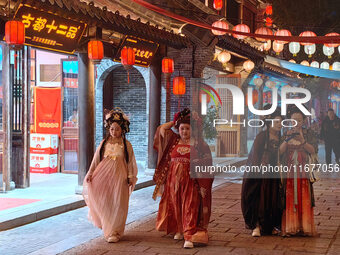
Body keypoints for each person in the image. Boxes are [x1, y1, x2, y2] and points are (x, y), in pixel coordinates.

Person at [153, 108, 213, 248]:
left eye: (187, 128)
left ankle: (189, 235)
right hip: (173, 182)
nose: (184, 131)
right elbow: (161, 129)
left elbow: (207, 165)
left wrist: (203, 184)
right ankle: (179, 229)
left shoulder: (200, 145)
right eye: (181, 128)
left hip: (191, 182)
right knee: (175, 205)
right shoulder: (173, 141)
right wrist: (176, 120)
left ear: (193, 129)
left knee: (189, 207)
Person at [83, 109, 138, 243]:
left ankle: (116, 231)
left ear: (122, 130)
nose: (114, 132)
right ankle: (108, 228)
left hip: (120, 177)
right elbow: (96, 160)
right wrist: (90, 173)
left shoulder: (126, 145)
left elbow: (130, 161)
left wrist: (131, 176)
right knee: (106, 202)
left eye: (117, 129)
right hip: (103, 176)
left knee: (118, 203)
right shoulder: (104, 144)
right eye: (112, 129)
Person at [241, 106, 283, 237]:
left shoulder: (281, 138)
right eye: (277, 122)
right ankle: (256, 226)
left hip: (274, 174)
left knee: (273, 200)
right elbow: (254, 157)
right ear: (270, 123)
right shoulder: (261, 137)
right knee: (259, 200)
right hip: (261, 174)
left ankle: (269, 227)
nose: (279, 124)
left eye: (281, 122)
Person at [279, 105, 318, 236]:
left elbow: (313, 150)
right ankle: (292, 226)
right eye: (293, 120)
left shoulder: (308, 133)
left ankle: (304, 226)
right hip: (289, 172)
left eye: (299, 120)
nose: (296, 123)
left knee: (304, 196)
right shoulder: (286, 133)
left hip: (304, 172)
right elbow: (279, 152)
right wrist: (286, 140)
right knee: (290, 197)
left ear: (303, 121)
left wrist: (302, 141)